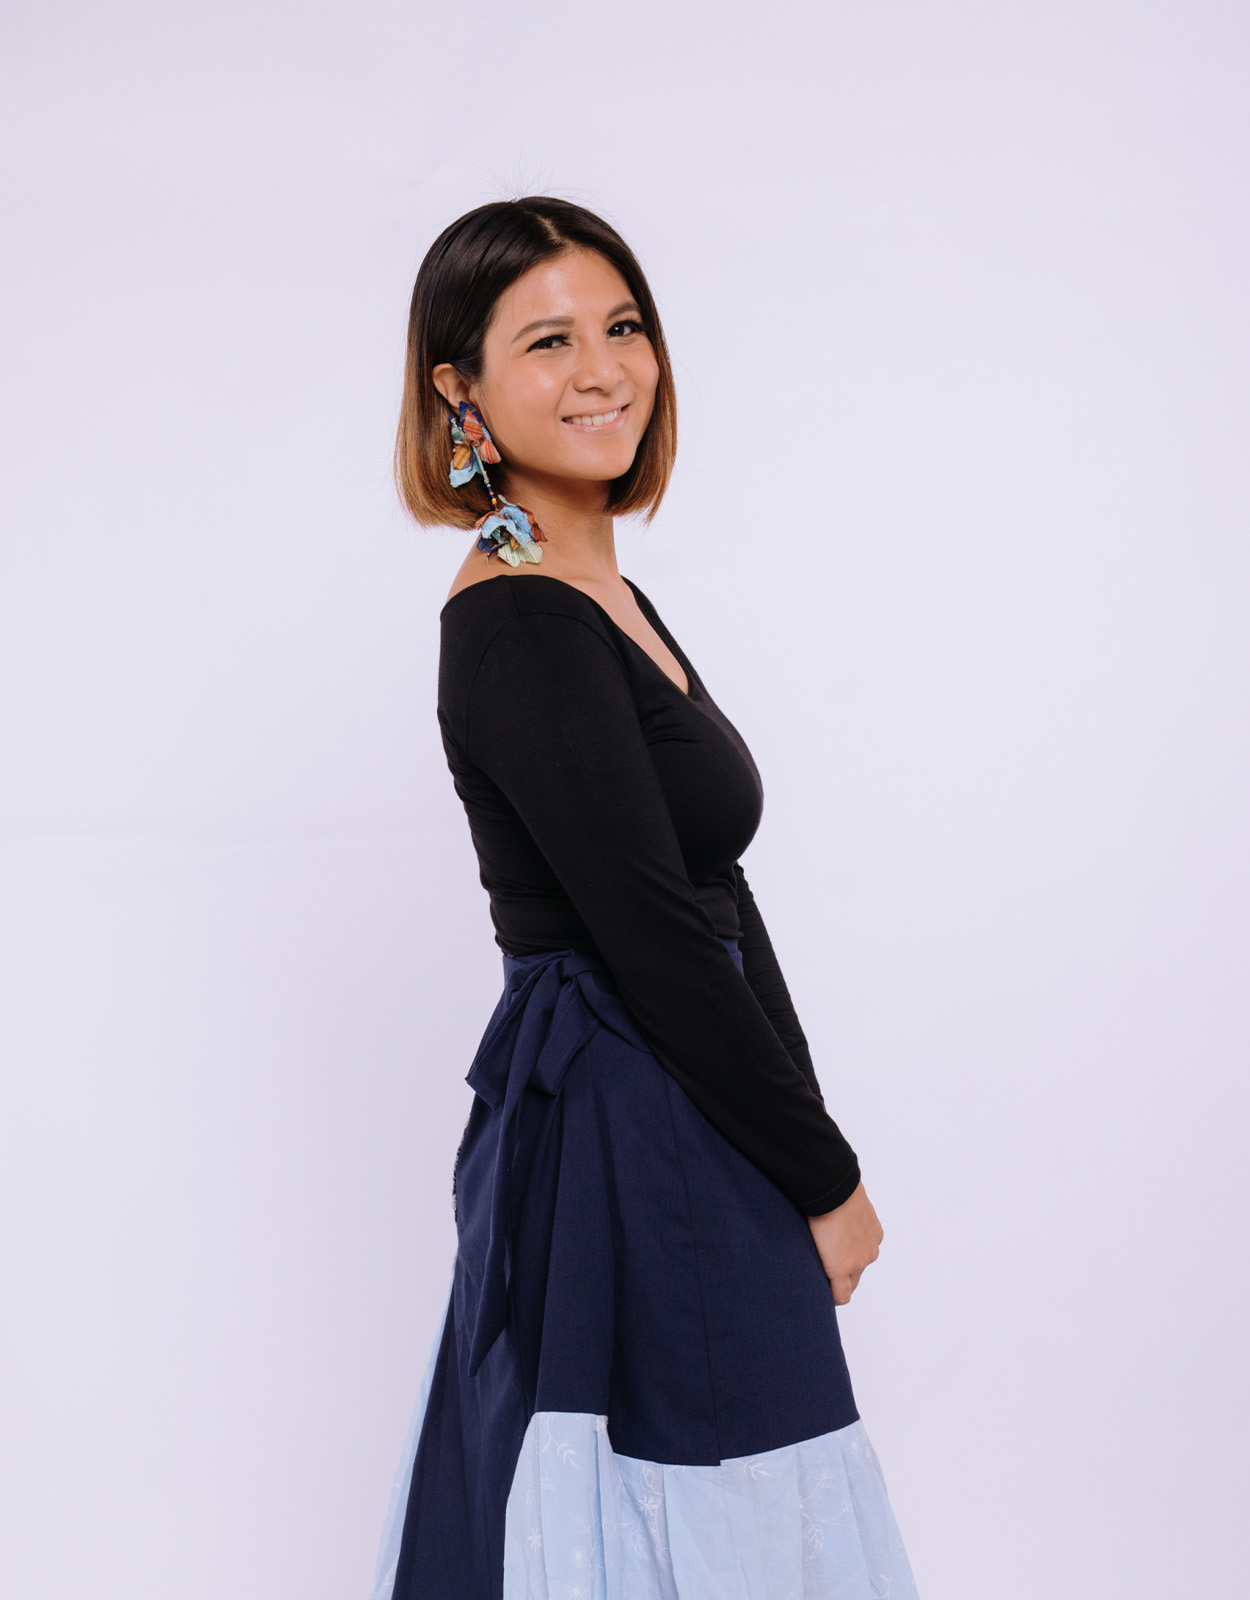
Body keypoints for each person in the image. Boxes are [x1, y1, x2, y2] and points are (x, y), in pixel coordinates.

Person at [371, 196, 921, 1600]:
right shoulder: (519, 617)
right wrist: (823, 1177)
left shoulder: (592, 588)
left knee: (731, 1494)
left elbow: (710, 893)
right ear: (460, 389)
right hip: (630, 1116)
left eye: (622, 327)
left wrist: (811, 1144)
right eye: (547, 342)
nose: (604, 370)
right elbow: (657, 942)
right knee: (697, 1496)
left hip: (683, 1095)